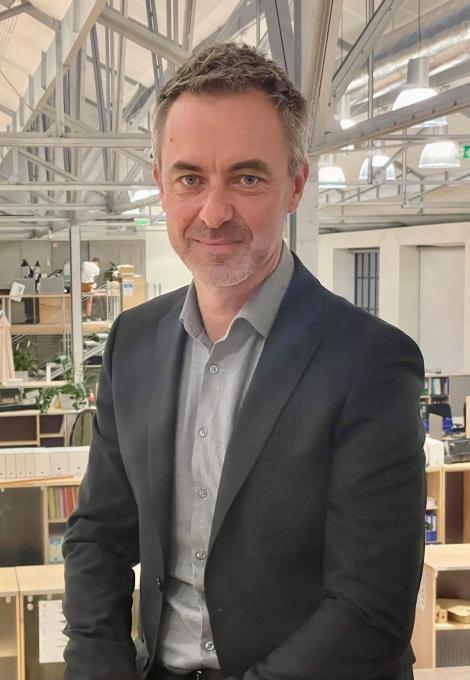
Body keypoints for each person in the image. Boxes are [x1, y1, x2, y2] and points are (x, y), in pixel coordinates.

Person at [62, 43, 426, 680]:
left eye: (247, 178)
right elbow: (98, 535)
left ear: (296, 185)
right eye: (190, 179)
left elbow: (369, 609)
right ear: (160, 184)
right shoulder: (133, 342)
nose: (214, 212)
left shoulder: (371, 362)